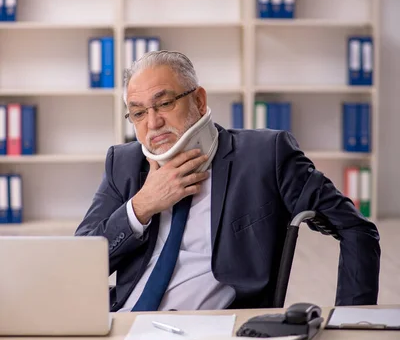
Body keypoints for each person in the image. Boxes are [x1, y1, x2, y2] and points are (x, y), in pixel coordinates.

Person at [76, 51, 380, 311]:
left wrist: (350, 324)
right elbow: (79, 265)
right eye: (138, 113)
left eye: (164, 104)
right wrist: (142, 206)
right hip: (124, 321)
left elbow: (355, 228)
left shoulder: (265, 156)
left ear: (198, 98)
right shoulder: (124, 163)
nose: (152, 123)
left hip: (211, 338)